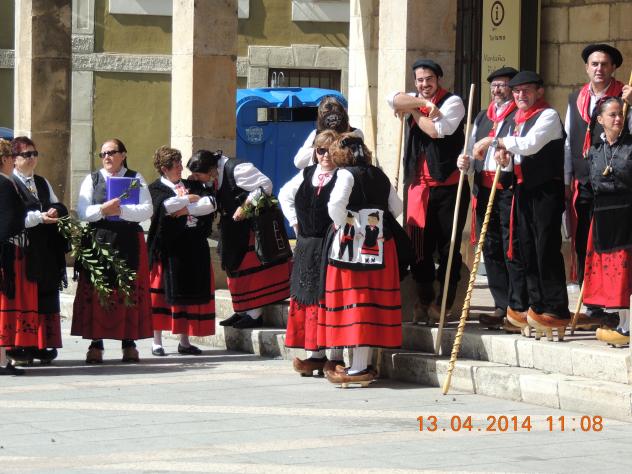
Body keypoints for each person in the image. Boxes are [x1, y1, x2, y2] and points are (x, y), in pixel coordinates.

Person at [487, 71, 569, 338]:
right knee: (526, 249)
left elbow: (530, 145)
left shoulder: (548, 115)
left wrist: (496, 141)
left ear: (539, 92)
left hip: (545, 190)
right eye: (517, 91)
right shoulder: (517, 121)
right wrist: (504, 161)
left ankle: (555, 308)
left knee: (545, 248)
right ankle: (536, 305)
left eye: (527, 90)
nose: (521, 95)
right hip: (523, 189)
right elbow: (517, 158)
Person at [320, 132, 403, 386]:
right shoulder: (379, 174)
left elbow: (335, 206)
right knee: (369, 303)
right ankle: (359, 365)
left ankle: (358, 369)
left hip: (352, 246)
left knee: (355, 301)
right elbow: (397, 207)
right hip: (380, 244)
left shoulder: (346, 175)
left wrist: (347, 225)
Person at [388, 58, 467, 323]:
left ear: (438, 79)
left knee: (448, 247)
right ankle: (424, 298)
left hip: (448, 186)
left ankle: (444, 301)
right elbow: (392, 98)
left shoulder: (453, 102)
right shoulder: (416, 98)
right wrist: (420, 103)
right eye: (420, 80)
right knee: (418, 248)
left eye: (429, 79)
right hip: (417, 187)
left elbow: (435, 130)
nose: (424, 84)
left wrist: (414, 109)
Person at [457, 67, 527, 332]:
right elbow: (471, 149)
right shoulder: (481, 116)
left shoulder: (518, 116)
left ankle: (517, 307)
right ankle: (500, 305)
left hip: (507, 189)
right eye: (494, 85)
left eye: (503, 85)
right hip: (484, 189)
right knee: (490, 247)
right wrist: (465, 162)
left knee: (511, 247)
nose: (497, 90)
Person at [71, 138, 153, 363]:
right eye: (103, 154)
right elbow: (82, 211)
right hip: (99, 240)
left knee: (127, 291)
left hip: (128, 240)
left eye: (111, 152)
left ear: (123, 155)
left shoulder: (135, 178)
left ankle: (129, 343)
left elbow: (147, 209)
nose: (106, 157)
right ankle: (96, 344)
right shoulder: (93, 179)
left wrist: (122, 211)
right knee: (99, 292)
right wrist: (103, 210)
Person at [564, 44, 631, 294]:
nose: (599, 69)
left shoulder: (625, 96)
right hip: (584, 180)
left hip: (616, 184)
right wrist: (566, 179)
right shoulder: (576, 98)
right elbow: (568, 141)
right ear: (586, 68)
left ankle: (613, 296)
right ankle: (588, 294)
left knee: (614, 243)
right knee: (584, 238)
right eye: (594, 64)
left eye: (604, 64)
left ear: (613, 68)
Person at [278, 130, 344, 376]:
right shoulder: (307, 174)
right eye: (321, 150)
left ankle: (335, 357)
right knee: (308, 298)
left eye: (330, 150)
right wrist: (295, 223)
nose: (325, 155)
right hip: (307, 246)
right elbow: (284, 195)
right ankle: (316, 355)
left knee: (329, 299)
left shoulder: (343, 176)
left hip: (331, 247)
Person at [206, 152, 291, 329]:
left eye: (200, 174)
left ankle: (254, 315)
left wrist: (246, 207)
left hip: (249, 229)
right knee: (234, 268)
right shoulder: (215, 175)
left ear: (211, 168)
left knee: (250, 270)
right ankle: (242, 310)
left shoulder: (238, 169)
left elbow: (265, 185)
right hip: (232, 229)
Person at [147, 147, 217, 356]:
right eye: (175, 165)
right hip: (167, 249)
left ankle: (184, 342)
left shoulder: (191, 184)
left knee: (187, 297)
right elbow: (167, 206)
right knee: (160, 297)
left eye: (179, 163)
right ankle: (156, 342)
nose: (180, 168)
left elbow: (211, 203)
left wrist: (185, 209)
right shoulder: (155, 188)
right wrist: (189, 199)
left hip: (192, 247)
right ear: (164, 169)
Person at [10, 137, 67, 364]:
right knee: (26, 298)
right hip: (23, 250)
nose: (32, 158)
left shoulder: (42, 182)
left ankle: (41, 344)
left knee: (45, 296)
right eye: (27, 154)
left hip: (45, 249)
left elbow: (57, 202)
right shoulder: (10, 183)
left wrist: (55, 211)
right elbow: (13, 218)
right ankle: (21, 346)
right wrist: (39, 217)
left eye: (34, 154)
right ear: (14, 159)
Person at [583, 97, 632, 347]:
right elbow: (593, 184)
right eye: (612, 115)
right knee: (614, 274)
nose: (617, 118)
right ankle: (623, 325)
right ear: (600, 119)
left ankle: (628, 327)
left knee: (627, 272)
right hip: (603, 216)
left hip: (627, 215)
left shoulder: (630, 145)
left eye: (620, 114)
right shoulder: (595, 150)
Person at [0, 139, 29, 375]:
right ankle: (0, 361)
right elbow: (11, 221)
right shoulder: (5, 184)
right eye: (12, 157)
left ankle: (2, 360)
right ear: (5, 159)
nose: (14, 161)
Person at [293, 96, 363, 170]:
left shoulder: (355, 133)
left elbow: (357, 162)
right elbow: (299, 162)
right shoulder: (316, 134)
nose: (332, 123)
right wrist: (319, 147)